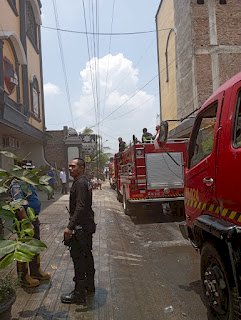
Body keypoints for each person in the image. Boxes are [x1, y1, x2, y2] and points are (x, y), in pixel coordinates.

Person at [61, 158, 96, 305]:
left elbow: (80, 207)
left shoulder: (81, 183)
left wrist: (70, 226)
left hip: (81, 228)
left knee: (79, 259)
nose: (70, 168)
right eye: (69, 166)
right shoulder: (84, 181)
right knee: (87, 256)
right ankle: (89, 286)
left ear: (81, 168)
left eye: (73, 166)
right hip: (86, 226)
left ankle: (79, 294)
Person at [10, 162, 51, 287]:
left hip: (33, 218)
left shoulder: (28, 182)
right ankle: (24, 277)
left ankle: (35, 271)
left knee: (34, 246)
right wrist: (27, 223)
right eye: (27, 169)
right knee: (24, 248)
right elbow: (18, 204)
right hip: (24, 221)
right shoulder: (16, 183)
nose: (30, 172)